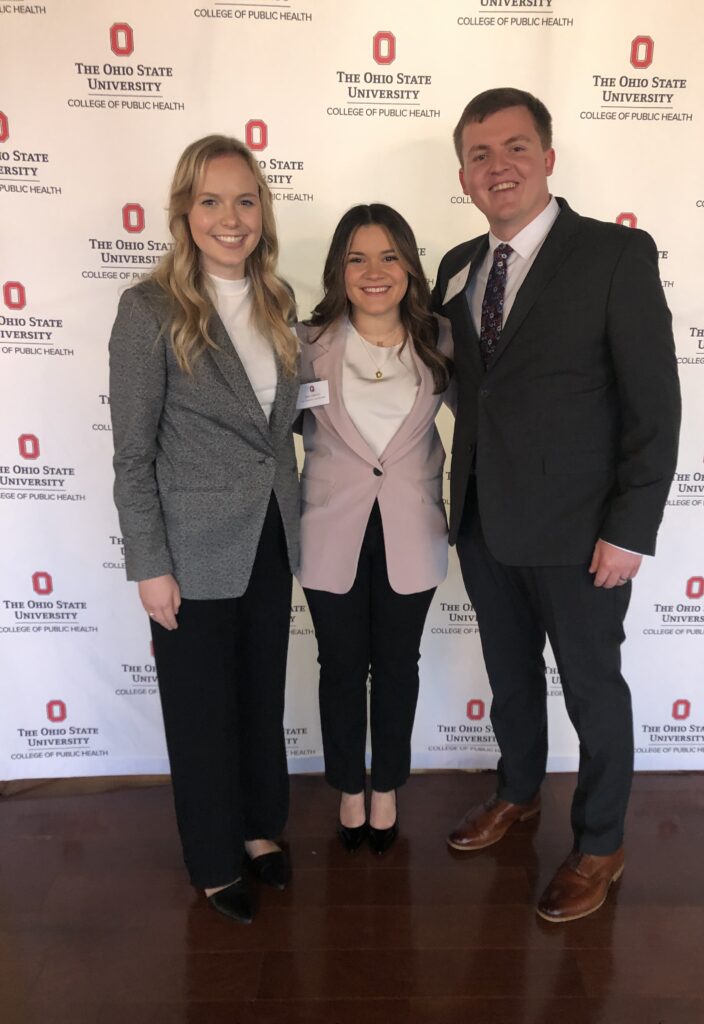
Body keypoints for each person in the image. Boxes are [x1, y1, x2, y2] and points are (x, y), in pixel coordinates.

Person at [432, 88, 681, 922]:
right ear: (463, 173)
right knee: (509, 681)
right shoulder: (456, 265)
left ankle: (602, 843)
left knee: (592, 688)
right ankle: (519, 793)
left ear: (547, 155)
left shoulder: (616, 254)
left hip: (582, 533)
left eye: (514, 147)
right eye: (478, 154)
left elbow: (654, 405)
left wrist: (629, 528)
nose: (496, 166)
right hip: (481, 519)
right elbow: (475, 392)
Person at [109, 135, 300, 924]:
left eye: (246, 200)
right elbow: (131, 454)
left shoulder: (278, 303)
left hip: (272, 536)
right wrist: (150, 565)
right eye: (213, 201)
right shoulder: (149, 310)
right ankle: (214, 857)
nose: (232, 218)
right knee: (200, 709)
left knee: (260, 696)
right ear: (186, 212)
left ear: (263, 211)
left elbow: (283, 429)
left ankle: (259, 830)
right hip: (188, 551)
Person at [297, 204, 453, 854]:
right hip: (329, 531)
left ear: (410, 266)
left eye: (389, 255)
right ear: (339, 269)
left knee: (397, 666)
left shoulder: (443, 340)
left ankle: (385, 785)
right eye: (357, 258)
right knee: (338, 667)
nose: (374, 271)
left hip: (412, 532)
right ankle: (347, 787)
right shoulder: (306, 343)